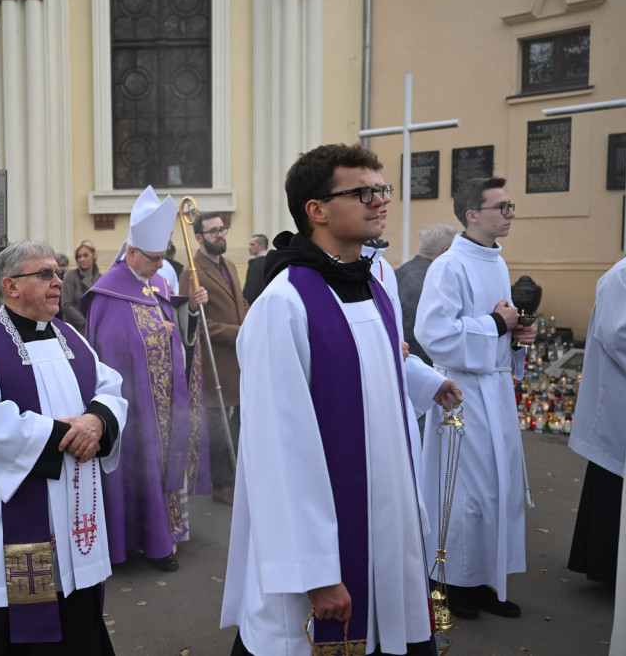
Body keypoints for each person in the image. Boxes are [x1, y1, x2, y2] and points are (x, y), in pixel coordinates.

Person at [222, 143, 440, 655]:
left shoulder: (376, 293)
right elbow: (279, 451)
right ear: (315, 211)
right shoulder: (285, 305)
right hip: (322, 560)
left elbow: (388, 417)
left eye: (381, 189)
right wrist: (316, 571)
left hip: (387, 534)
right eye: (362, 192)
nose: (380, 201)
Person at [0, 241, 127, 655]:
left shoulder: (70, 337)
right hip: (3, 522)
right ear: (11, 286)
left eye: (58, 272)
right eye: (46, 274)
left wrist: (97, 421)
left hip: (72, 514)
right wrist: (67, 436)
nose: (58, 282)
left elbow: (110, 386)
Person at [415, 176, 535, 620]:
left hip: (496, 388)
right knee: (465, 491)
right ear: (472, 215)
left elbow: (496, 325)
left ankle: (483, 578)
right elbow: (434, 334)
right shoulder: (449, 266)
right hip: (462, 393)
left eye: (510, 205)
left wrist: (517, 336)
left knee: (496, 491)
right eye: (501, 206)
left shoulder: (496, 262)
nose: (510, 213)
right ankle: (448, 584)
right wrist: (497, 326)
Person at [82, 186, 210, 573]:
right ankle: (145, 544)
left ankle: (166, 535)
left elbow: (176, 332)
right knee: (140, 466)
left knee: (163, 465)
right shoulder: (107, 295)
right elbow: (111, 349)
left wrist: (189, 310)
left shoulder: (158, 284)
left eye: (163, 257)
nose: (160, 265)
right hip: (135, 406)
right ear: (132, 252)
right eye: (154, 258)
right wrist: (158, 336)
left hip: (166, 400)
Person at [568, 254, 626, 583]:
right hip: (618, 396)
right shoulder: (621, 276)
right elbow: (618, 334)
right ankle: (607, 567)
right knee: (613, 484)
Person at [190, 212, 247, 507]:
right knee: (217, 425)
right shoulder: (193, 271)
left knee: (237, 424)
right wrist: (239, 331)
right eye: (212, 232)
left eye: (222, 229)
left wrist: (253, 319)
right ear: (199, 238)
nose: (220, 235)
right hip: (214, 363)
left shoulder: (229, 264)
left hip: (238, 360)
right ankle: (221, 484)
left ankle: (237, 476)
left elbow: (240, 301)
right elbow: (198, 324)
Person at [394, 224, 458, 366]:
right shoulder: (436, 279)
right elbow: (419, 331)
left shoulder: (398, 273)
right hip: (425, 365)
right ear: (446, 251)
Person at [60, 239, 101, 334]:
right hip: (76, 330)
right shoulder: (71, 276)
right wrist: (85, 323)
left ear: (94, 255)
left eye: (86, 255)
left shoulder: (101, 278)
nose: (82, 259)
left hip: (96, 330)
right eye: (79, 256)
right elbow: (66, 305)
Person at [242, 233, 269, 304]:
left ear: (262, 246)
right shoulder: (273, 261)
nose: (249, 248)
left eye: (252, 245)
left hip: (257, 305)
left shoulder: (256, 264)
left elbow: (250, 291)